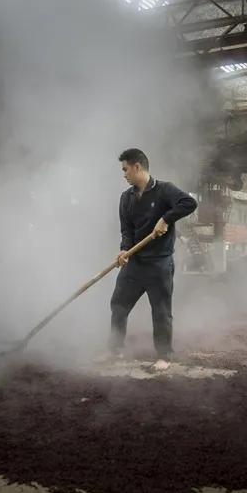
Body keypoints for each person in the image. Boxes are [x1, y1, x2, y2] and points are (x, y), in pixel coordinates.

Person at [107, 148, 198, 371]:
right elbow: (126, 229)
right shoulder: (126, 197)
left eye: (125, 169)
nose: (124, 174)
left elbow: (189, 203)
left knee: (160, 311)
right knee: (118, 304)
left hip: (159, 263)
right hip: (135, 263)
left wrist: (166, 219)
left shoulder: (165, 190)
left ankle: (164, 357)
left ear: (137, 167)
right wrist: (124, 250)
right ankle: (115, 350)